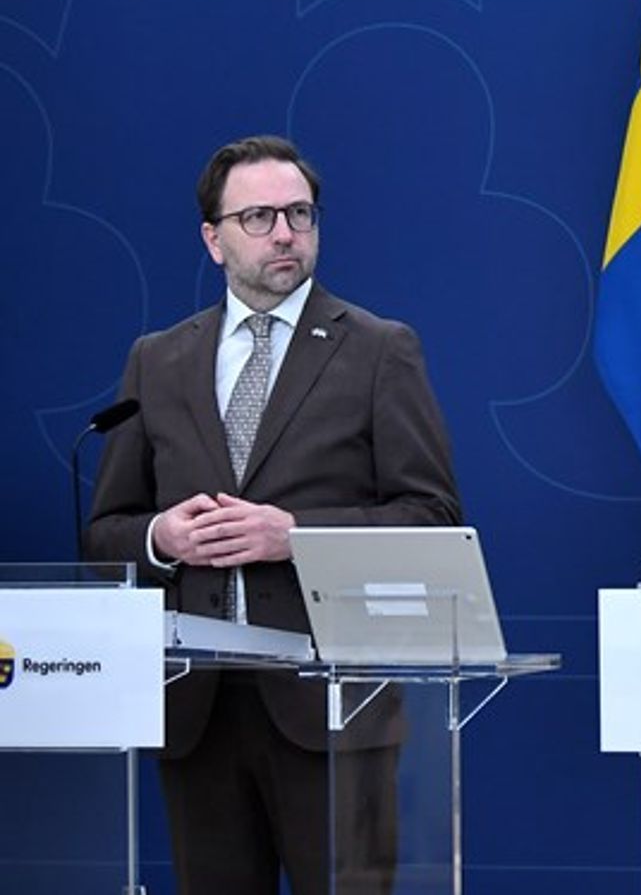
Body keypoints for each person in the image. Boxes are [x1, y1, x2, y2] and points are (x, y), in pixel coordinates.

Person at [85, 135, 463, 895]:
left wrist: (295, 536)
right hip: (197, 711)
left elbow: (433, 518)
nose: (284, 232)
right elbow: (105, 531)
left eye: (299, 213)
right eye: (258, 216)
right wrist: (164, 537)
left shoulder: (381, 349)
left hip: (333, 705)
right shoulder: (157, 360)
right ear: (213, 238)